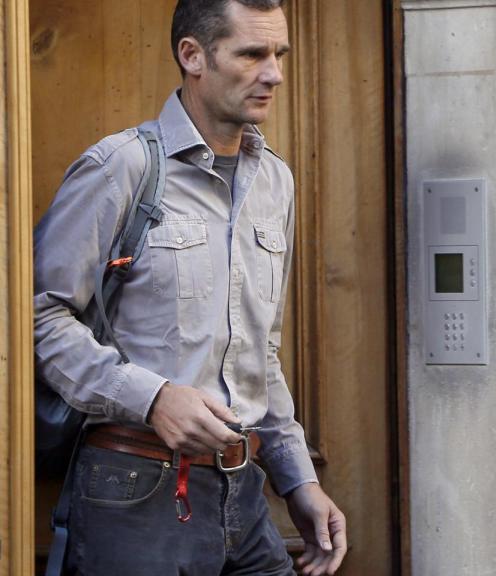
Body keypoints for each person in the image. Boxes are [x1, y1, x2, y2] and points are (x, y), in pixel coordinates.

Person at [33, 1, 346, 574]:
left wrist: (296, 476)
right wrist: (151, 397)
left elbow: (259, 350)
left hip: (245, 493)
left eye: (278, 54)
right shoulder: (119, 167)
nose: (274, 73)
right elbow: (40, 318)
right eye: (251, 53)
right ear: (192, 55)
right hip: (132, 488)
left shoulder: (275, 180)